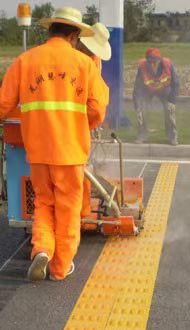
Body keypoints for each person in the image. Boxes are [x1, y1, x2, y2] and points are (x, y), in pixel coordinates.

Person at [0, 7, 109, 282]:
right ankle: (60, 266)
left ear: (51, 31)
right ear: (74, 35)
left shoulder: (26, 60)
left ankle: (42, 248)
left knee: (43, 201)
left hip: (38, 150)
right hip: (70, 150)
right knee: (68, 207)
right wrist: (82, 124)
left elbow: (3, 102)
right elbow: (97, 109)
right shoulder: (85, 64)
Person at [75, 22, 112, 219]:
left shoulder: (93, 60)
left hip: (77, 123)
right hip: (74, 125)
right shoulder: (74, 58)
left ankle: (81, 210)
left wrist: (92, 122)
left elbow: (96, 99)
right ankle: (80, 213)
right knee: (77, 170)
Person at [132, 48, 180, 146]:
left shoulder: (168, 64)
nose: (152, 64)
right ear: (147, 61)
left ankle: (172, 137)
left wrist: (172, 101)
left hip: (164, 90)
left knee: (169, 110)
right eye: (150, 62)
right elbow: (137, 88)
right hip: (148, 90)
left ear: (159, 60)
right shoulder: (142, 67)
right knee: (142, 110)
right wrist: (138, 106)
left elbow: (176, 83)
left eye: (155, 61)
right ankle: (142, 135)